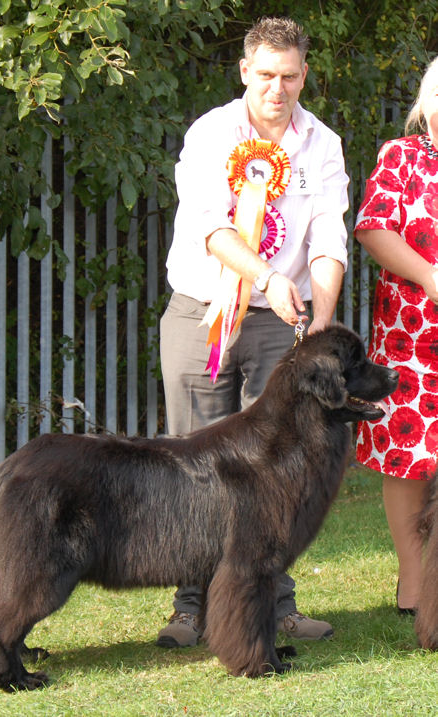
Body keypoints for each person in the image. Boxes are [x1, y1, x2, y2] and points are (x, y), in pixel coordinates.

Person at [157, 16, 349, 648]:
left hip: (279, 325)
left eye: (290, 76)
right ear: (244, 71)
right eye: (265, 75)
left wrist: (321, 316)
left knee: (279, 469)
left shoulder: (321, 142)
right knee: (191, 465)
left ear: (304, 74)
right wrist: (267, 276)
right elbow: (211, 228)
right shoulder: (210, 133)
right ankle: (192, 608)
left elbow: (328, 236)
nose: (278, 88)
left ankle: (277, 605)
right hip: (201, 313)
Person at [354, 56, 438, 615]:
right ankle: (414, 584)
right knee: (408, 462)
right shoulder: (401, 157)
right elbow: (373, 227)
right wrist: (430, 275)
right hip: (412, 339)